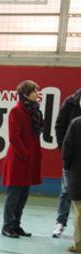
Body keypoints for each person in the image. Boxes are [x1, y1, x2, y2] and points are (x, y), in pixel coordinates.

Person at [1, 80, 43, 238]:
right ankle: (7, 226)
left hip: (29, 159)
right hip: (19, 159)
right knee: (14, 195)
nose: (38, 94)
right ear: (26, 94)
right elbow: (14, 137)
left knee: (23, 194)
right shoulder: (16, 111)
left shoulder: (34, 111)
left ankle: (16, 225)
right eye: (35, 91)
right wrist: (25, 154)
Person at [53, 88, 81, 238]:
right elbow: (60, 126)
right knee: (66, 190)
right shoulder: (70, 103)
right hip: (73, 157)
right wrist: (64, 149)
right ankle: (60, 222)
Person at [61, 116, 81, 253]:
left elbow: (66, 150)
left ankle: (79, 243)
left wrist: (68, 167)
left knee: (79, 210)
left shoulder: (76, 123)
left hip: (77, 173)